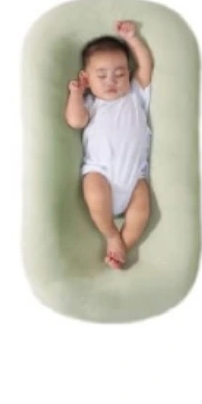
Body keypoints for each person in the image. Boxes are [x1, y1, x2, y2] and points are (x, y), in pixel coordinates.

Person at [64, 21, 154, 270]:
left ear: (129, 74)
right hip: (100, 171)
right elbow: (75, 121)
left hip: (134, 176)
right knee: (94, 191)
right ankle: (111, 234)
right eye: (102, 76)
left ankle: (123, 246)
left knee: (141, 210)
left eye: (120, 74)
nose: (111, 81)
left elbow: (145, 65)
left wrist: (133, 39)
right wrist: (75, 95)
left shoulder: (135, 94)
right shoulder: (91, 102)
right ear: (86, 78)